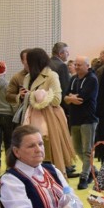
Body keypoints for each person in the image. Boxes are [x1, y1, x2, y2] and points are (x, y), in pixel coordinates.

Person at [0, 125, 71, 208]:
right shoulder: (11, 180)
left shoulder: (53, 170)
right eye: (31, 146)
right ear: (16, 152)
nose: (38, 149)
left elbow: (75, 200)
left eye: (40, 144)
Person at [21, 47, 76, 175]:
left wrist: (36, 95)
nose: (25, 64)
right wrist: (22, 95)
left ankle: (56, 182)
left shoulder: (51, 75)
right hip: (30, 117)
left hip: (50, 119)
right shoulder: (27, 77)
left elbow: (57, 99)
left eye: (27, 61)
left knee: (50, 155)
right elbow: (23, 97)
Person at [66, 55, 99, 189]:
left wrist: (70, 98)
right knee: (77, 148)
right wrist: (70, 98)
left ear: (87, 66)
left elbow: (82, 98)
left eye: (80, 64)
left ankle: (84, 177)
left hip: (88, 119)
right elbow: (66, 96)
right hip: (75, 119)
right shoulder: (73, 79)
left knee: (87, 150)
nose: (77, 67)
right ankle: (94, 171)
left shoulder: (92, 79)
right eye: (76, 64)